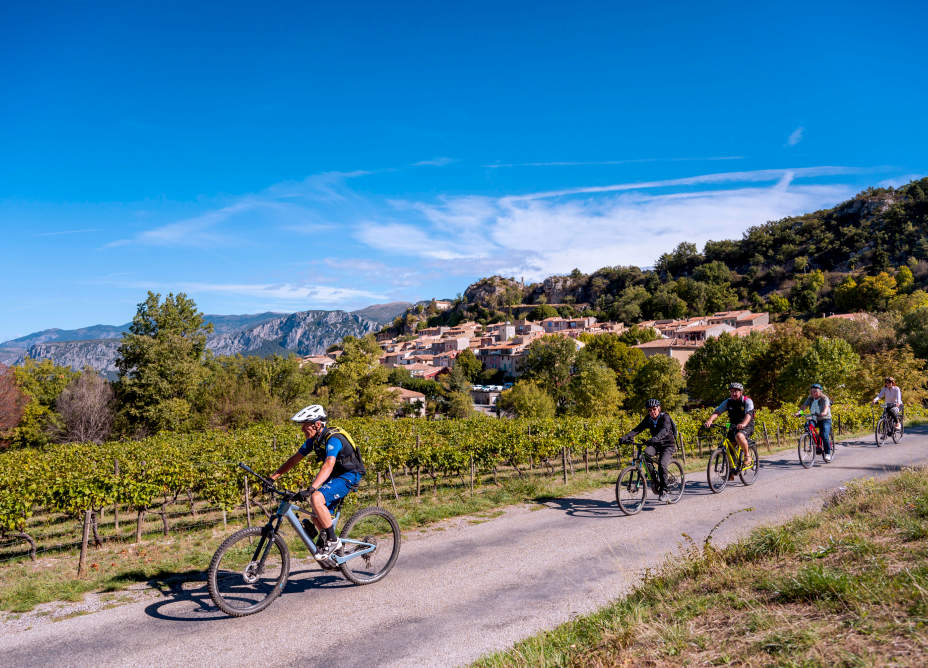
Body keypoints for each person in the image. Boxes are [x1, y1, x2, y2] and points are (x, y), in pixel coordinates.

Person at [270, 404, 366, 560]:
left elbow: (328, 463)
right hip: (335, 475)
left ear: (318, 424)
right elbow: (294, 459)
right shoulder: (314, 440)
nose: (302, 430)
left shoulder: (333, 439)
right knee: (316, 514)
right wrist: (272, 477)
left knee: (316, 498)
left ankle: (333, 541)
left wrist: (312, 488)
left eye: (305, 426)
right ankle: (333, 550)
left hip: (350, 474)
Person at [620, 399, 677, 502]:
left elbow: (665, 430)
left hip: (668, 445)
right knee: (645, 454)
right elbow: (637, 429)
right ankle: (655, 480)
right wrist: (625, 437)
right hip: (656, 444)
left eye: (654, 409)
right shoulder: (649, 419)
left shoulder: (665, 417)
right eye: (650, 410)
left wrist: (655, 438)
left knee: (662, 464)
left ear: (659, 408)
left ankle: (664, 490)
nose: (652, 412)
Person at [704, 382, 755, 476]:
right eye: (731, 392)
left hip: (747, 424)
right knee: (728, 446)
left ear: (741, 392)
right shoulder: (728, 401)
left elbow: (749, 415)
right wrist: (710, 420)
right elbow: (718, 411)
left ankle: (747, 456)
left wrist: (743, 424)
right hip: (732, 425)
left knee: (739, 436)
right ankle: (732, 470)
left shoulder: (747, 401)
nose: (733, 394)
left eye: (735, 391)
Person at [794, 383, 833, 461]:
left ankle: (827, 453)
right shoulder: (810, 398)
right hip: (814, 418)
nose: (813, 393)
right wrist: (799, 412)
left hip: (825, 418)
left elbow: (826, 407)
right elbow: (804, 407)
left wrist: (824, 412)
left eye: (815, 391)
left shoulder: (825, 398)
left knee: (824, 435)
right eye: (812, 392)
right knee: (807, 426)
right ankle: (815, 444)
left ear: (820, 391)